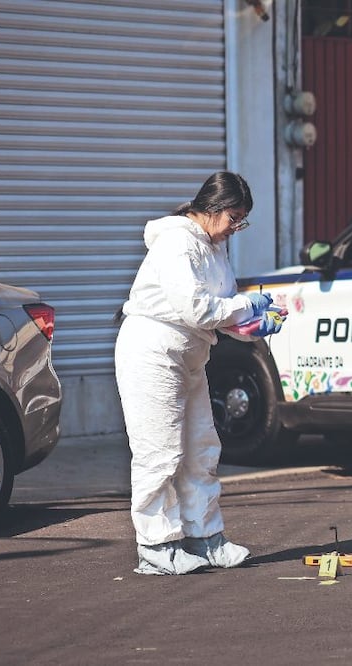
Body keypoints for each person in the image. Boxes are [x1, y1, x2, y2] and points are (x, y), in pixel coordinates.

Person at [115, 171, 280, 576]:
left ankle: (205, 537)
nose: (235, 228)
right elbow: (198, 308)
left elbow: (217, 309)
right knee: (160, 453)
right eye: (234, 218)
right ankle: (156, 545)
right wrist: (249, 307)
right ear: (214, 209)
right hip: (153, 351)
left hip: (191, 354)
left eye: (241, 220)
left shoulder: (213, 244)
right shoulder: (177, 241)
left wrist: (252, 324)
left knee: (201, 449)